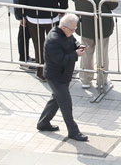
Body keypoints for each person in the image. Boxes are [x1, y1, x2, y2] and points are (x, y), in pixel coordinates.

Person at [38, 12, 89, 142]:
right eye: (73, 29)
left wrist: (78, 46)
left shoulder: (66, 33)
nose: (74, 32)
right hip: (56, 77)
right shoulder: (53, 40)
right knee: (66, 104)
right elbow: (60, 60)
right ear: (65, 28)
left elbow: (73, 41)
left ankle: (43, 123)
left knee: (56, 100)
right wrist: (76, 54)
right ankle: (73, 131)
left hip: (63, 75)